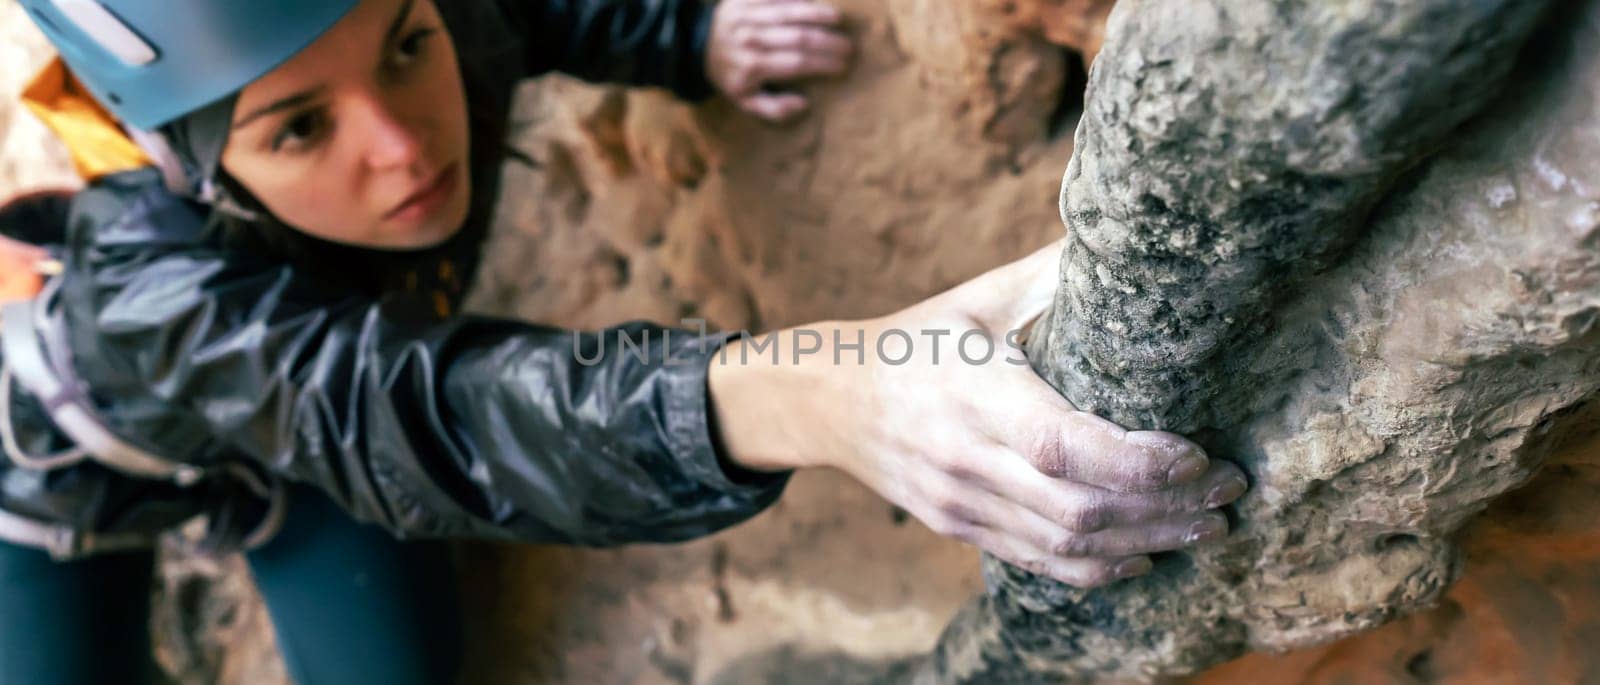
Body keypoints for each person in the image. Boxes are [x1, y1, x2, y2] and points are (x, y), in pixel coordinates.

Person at [0, 0, 1249, 682]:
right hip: (71, 491)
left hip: (312, 449)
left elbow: (527, 17)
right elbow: (432, 416)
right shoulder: (151, 291)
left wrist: (686, 35)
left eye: (406, 46)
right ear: (176, 161)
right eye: (296, 130)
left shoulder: (441, 21)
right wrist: (827, 395)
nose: (404, 145)